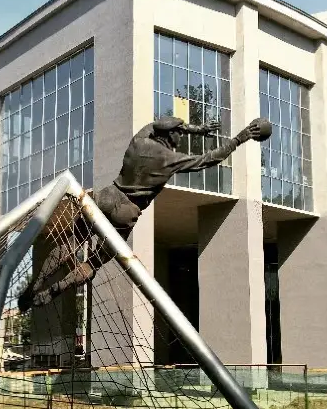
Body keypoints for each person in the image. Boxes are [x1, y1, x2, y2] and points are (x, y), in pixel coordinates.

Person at [18, 116, 271, 312]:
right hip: (124, 212)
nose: (181, 137)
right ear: (171, 135)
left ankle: (37, 282)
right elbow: (210, 159)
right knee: (94, 262)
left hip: (106, 196)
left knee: (71, 241)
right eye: (179, 133)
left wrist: (199, 129)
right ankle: (52, 292)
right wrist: (241, 137)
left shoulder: (139, 140)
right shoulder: (169, 159)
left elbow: (153, 124)